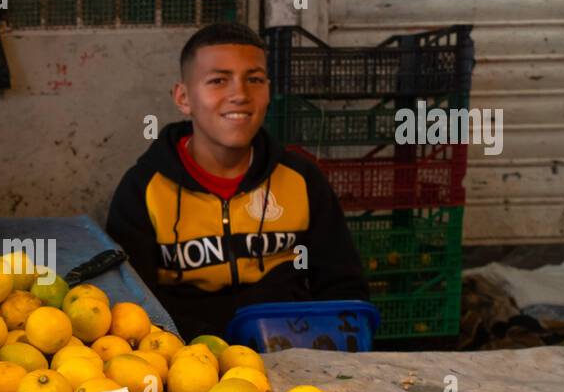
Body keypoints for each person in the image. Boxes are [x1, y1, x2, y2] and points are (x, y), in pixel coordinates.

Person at [105, 22, 368, 342]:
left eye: (254, 79)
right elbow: (132, 307)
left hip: (292, 353)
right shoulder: (143, 188)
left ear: (269, 90)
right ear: (184, 97)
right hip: (190, 364)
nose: (240, 95)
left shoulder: (302, 180)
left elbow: (344, 289)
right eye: (218, 80)